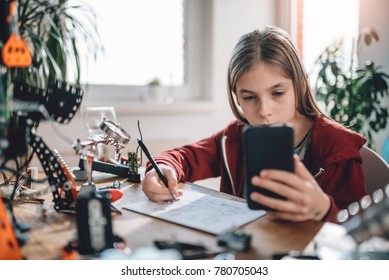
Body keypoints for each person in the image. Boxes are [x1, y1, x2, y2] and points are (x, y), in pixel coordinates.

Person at [141, 26, 367, 223]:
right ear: (236, 97)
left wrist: (323, 209)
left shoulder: (337, 148)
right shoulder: (236, 136)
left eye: (277, 93)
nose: (264, 111)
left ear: (301, 85)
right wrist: (161, 169)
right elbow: (184, 157)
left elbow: (357, 234)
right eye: (249, 97)